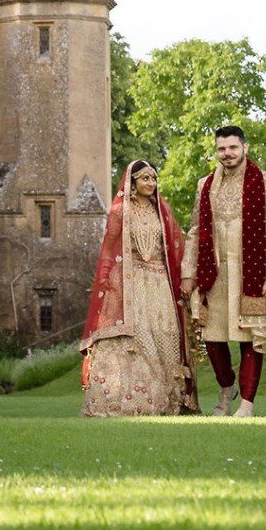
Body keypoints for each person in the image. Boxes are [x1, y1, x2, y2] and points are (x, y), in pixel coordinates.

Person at [182, 125, 266, 417]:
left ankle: (247, 404)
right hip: (213, 273)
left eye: (232, 147)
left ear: (245, 147)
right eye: (221, 149)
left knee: (251, 335)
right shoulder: (205, 184)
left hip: (250, 274)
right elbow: (194, 231)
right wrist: (188, 273)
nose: (226, 154)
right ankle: (227, 387)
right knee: (212, 337)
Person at [80, 159, 198, 416]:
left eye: (153, 179)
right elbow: (109, 250)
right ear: (132, 182)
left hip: (159, 284)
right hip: (131, 286)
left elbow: (178, 245)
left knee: (166, 335)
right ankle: (128, 403)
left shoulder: (161, 212)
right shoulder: (121, 211)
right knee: (136, 338)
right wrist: (105, 283)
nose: (151, 183)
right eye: (145, 178)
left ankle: (172, 402)